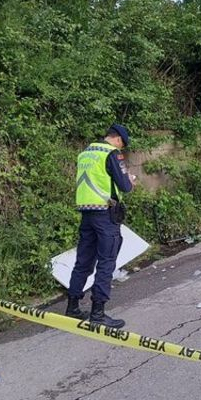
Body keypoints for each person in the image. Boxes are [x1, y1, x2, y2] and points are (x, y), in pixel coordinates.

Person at [66, 124, 136, 327]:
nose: (120, 148)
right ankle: (98, 313)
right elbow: (125, 186)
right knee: (107, 261)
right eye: (121, 145)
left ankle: (72, 307)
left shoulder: (85, 153)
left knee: (83, 260)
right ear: (118, 140)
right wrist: (130, 180)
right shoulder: (112, 153)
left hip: (86, 213)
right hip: (105, 214)